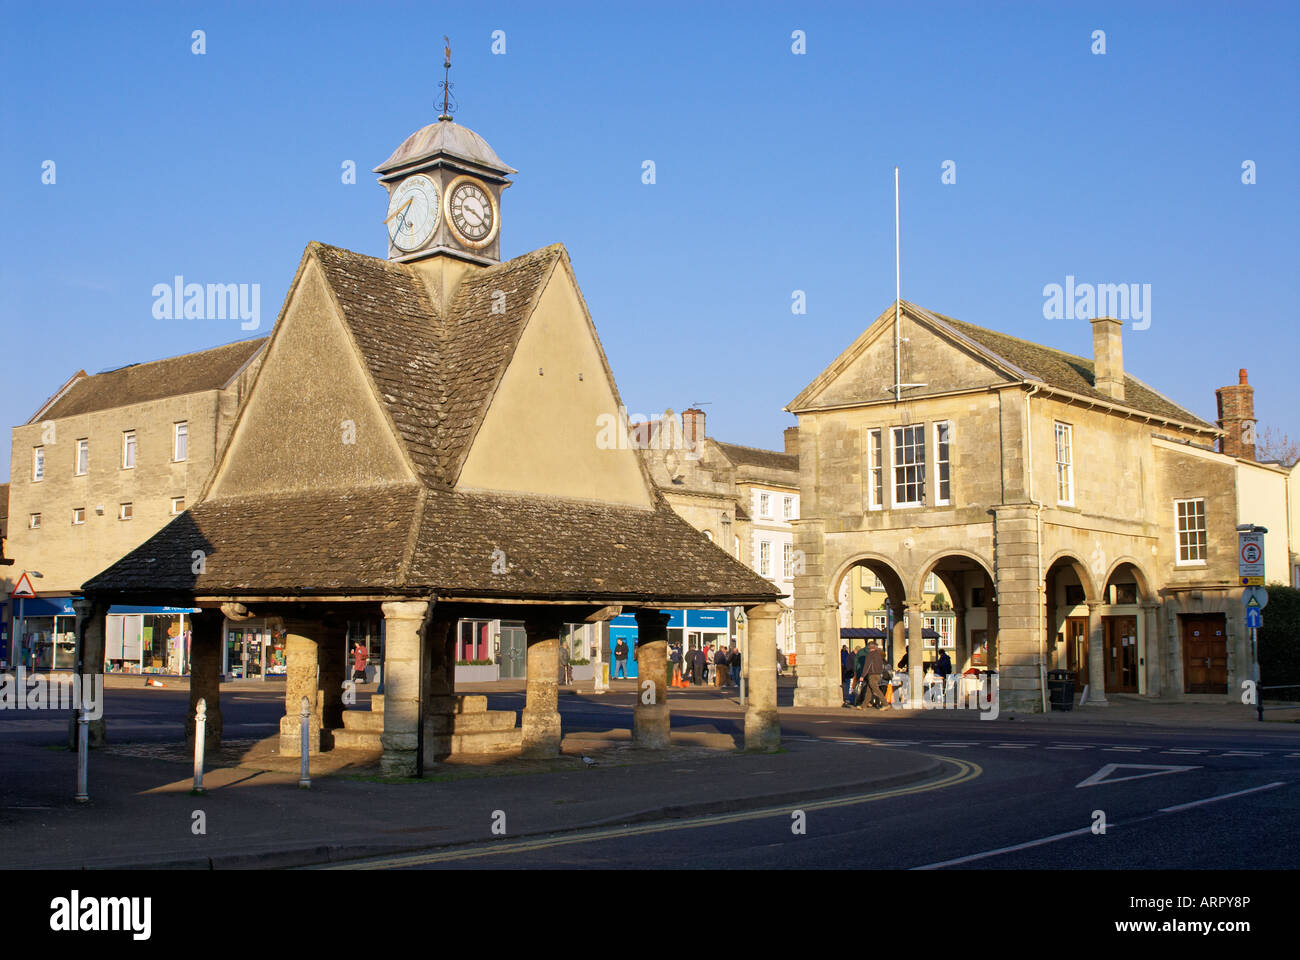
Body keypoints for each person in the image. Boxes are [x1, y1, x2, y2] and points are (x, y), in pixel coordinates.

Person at [862, 641, 885, 709]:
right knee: (869, 691)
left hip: (872, 674)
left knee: (876, 690)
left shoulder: (870, 654)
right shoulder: (879, 654)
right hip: (878, 674)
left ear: (869, 647)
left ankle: (885, 704)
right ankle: (864, 705)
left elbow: (867, 666)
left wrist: (862, 676)